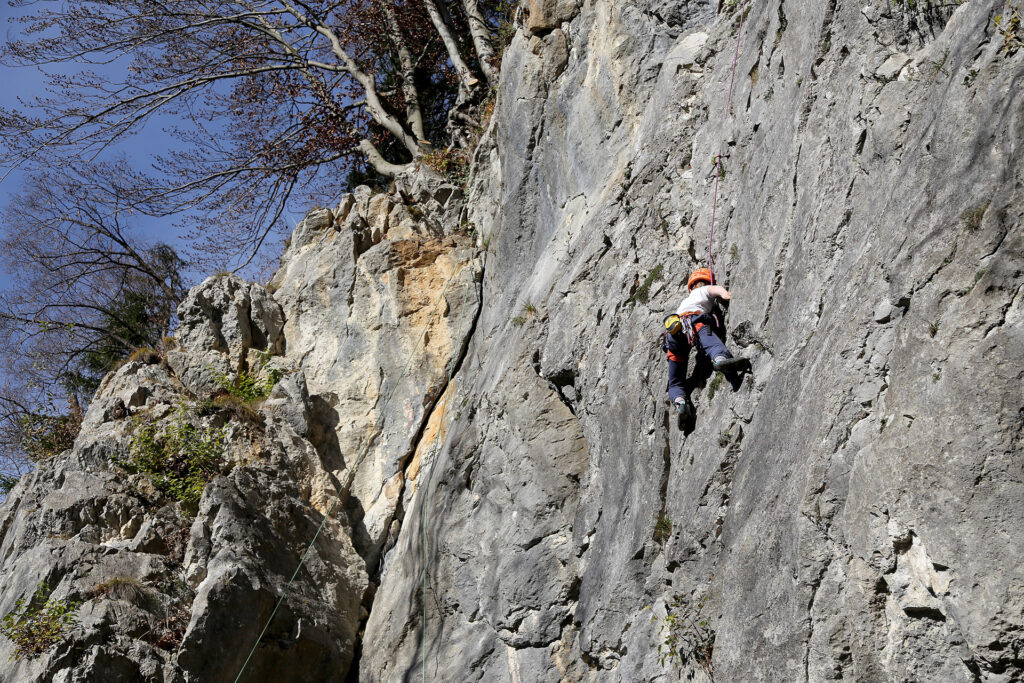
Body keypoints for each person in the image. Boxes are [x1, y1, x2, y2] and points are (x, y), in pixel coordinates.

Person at [662, 268, 746, 422]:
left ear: (690, 286)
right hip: (694, 322)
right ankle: (720, 360)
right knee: (712, 344)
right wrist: (725, 294)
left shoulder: (685, 301)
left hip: (673, 335)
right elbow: (715, 290)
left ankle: (680, 403)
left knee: (675, 382)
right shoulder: (702, 290)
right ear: (707, 281)